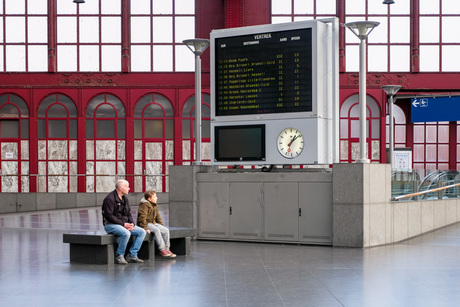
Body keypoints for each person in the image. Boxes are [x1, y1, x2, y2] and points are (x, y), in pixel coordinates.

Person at [102, 179, 146, 264]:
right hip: (110, 225)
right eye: (127, 187)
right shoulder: (109, 199)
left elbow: (128, 213)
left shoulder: (125, 199)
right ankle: (119, 255)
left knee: (142, 232)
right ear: (121, 189)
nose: (129, 189)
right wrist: (123, 224)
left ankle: (132, 255)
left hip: (123, 224)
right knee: (126, 233)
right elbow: (108, 216)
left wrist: (132, 224)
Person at [137, 190, 176, 258]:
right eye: (154, 197)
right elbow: (142, 217)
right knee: (156, 230)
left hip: (153, 223)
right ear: (149, 199)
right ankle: (162, 249)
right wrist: (145, 228)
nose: (156, 198)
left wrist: (162, 225)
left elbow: (158, 216)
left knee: (165, 230)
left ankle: (167, 249)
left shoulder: (154, 205)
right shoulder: (144, 205)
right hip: (146, 223)